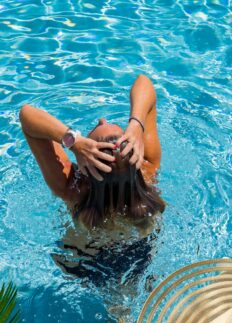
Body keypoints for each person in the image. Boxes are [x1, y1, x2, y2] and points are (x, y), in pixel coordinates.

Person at [19, 74, 165, 230]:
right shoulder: (148, 169)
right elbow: (144, 81)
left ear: (85, 165)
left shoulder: (72, 187)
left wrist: (74, 141)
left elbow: (27, 114)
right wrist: (136, 124)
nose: (102, 119)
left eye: (96, 128)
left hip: (84, 252)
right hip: (144, 249)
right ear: (136, 151)